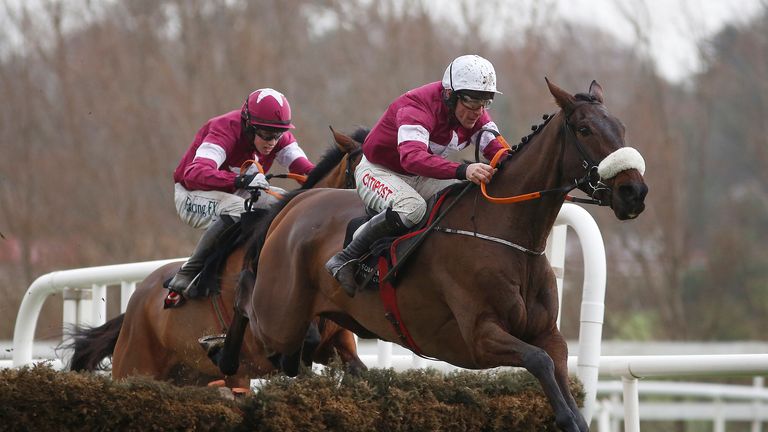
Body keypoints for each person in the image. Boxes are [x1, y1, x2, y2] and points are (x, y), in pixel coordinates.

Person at [325, 54, 507, 296]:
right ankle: (345, 258)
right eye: (473, 101)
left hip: (419, 173)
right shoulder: (417, 107)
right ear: (450, 95)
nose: (478, 111)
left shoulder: (474, 111)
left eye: (486, 102)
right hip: (379, 170)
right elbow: (411, 158)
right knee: (412, 208)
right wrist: (463, 170)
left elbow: (497, 149)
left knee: (464, 200)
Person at [168, 88, 314, 296]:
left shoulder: (276, 134)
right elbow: (195, 173)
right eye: (265, 135)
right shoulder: (224, 129)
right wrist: (239, 180)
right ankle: (189, 272)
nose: (272, 142)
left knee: (287, 204)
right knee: (237, 209)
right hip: (193, 194)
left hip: (237, 192)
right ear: (248, 125)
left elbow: (306, 169)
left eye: (278, 135)